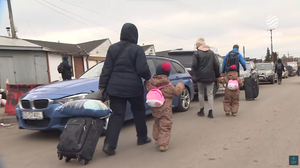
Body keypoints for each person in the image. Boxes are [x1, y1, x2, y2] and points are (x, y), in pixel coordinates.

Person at [98, 23, 152, 155]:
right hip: (133, 87)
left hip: (115, 88)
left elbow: (106, 69)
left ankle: (109, 145)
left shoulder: (112, 48)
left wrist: (102, 86)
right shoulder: (137, 49)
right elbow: (142, 69)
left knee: (117, 115)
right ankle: (142, 137)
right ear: (135, 35)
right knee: (139, 111)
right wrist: (148, 76)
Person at [145, 62, 184, 152]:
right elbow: (176, 92)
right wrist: (180, 85)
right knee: (165, 125)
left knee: (157, 123)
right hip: (165, 109)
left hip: (154, 108)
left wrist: (146, 82)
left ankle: (156, 138)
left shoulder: (151, 83)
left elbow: (147, 87)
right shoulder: (167, 85)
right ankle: (163, 144)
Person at [192, 37, 220, 118]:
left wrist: (195, 74)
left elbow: (194, 65)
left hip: (200, 76)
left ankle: (201, 110)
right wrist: (217, 75)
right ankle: (210, 112)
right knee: (210, 94)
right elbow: (216, 65)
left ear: (198, 46)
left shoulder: (196, 53)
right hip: (210, 76)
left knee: (200, 93)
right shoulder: (211, 53)